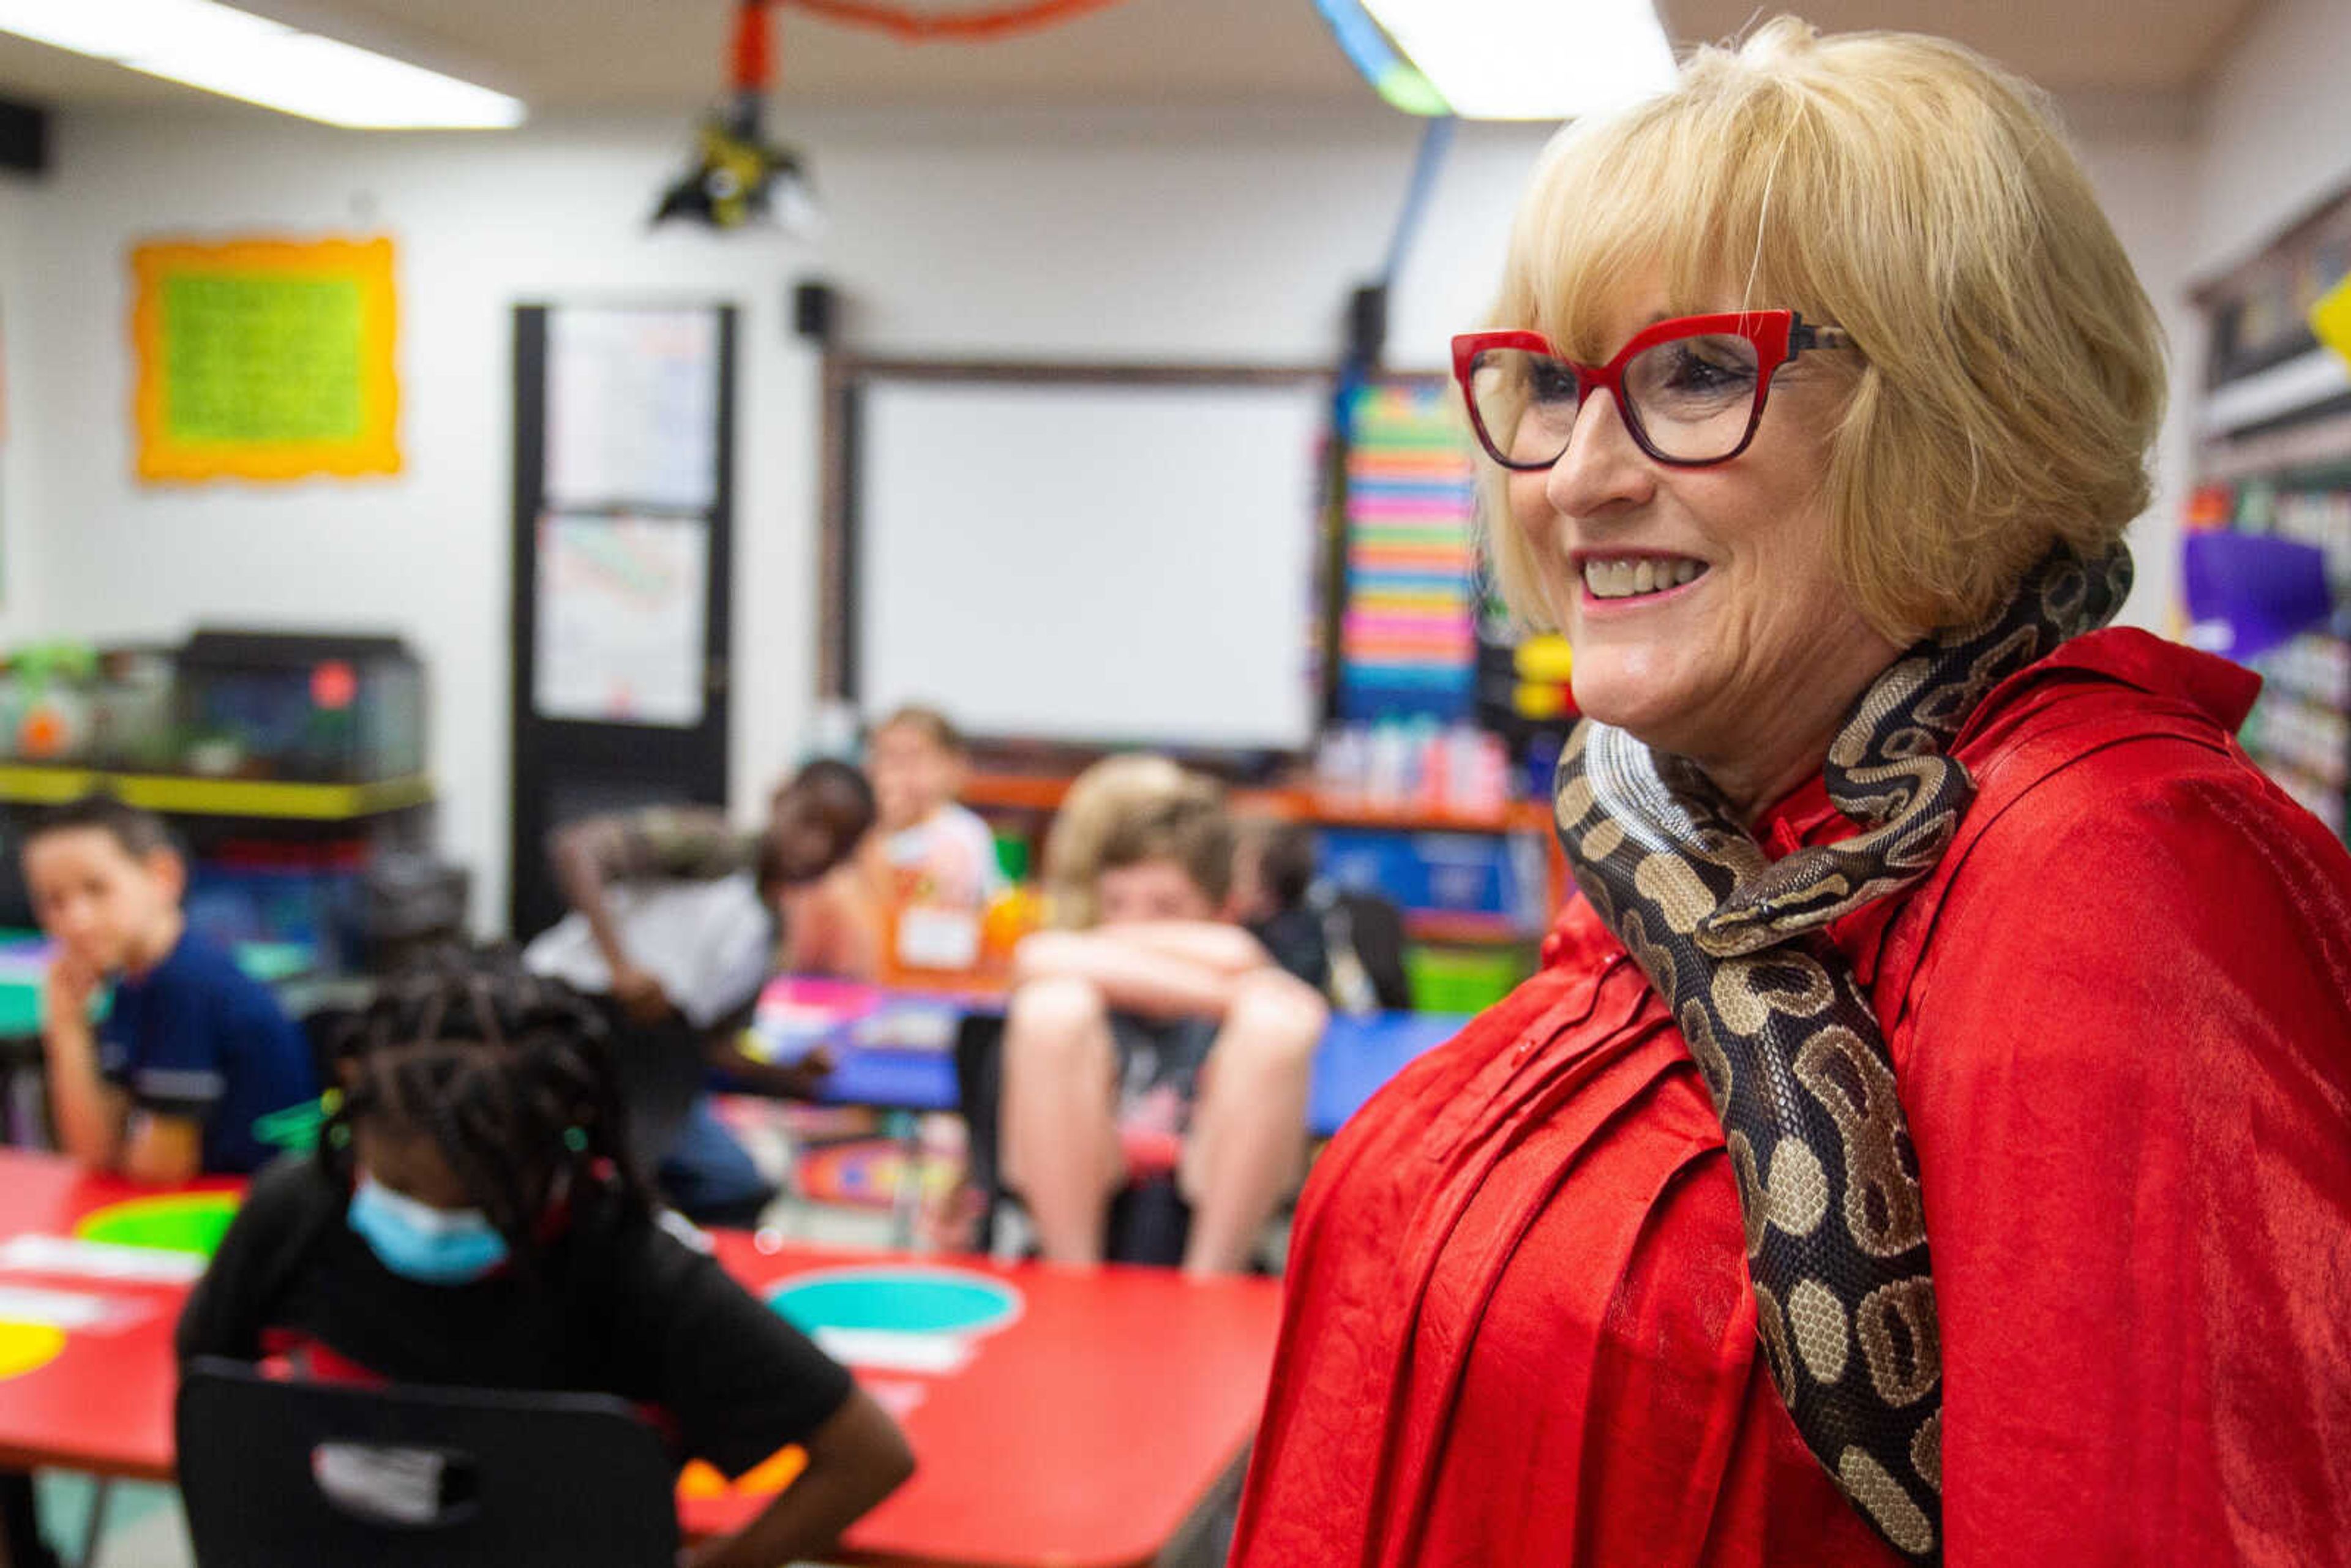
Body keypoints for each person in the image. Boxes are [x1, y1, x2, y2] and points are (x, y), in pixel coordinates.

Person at [1231, 20, 2351, 1568]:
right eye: (1554, 383)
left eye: (1696, 373)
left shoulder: (2105, 869)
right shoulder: (1689, 797)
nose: (1572, 476)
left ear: (1961, 413)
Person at [176, 953, 914, 1568]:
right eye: (396, 1186)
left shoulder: (640, 1272)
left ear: (558, 1153)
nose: (428, 1220)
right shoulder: (297, 1209)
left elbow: (870, 1453)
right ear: (354, 1118)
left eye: (474, 1203)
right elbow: (215, 1393)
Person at [999, 762, 1327, 1277]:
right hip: (1084, 1235)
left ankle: (1208, 1291)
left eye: (1166, 908)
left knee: (1275, 1025)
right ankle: (1071, 1289)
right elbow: (1035, 957)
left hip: (1204, 1239)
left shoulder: (1250, 973)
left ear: (1223, 911)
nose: (1135, 925)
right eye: (1116, 905)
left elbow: (1298, 1010)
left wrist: (1226, 971)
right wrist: (1217, 988)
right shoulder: (1078, 982)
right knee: (1050, 1010)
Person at [529, 760, 877, 1226]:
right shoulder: (714, 845)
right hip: (564, 1025)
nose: (814, 847)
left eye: (837, 842)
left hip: (648, 1077)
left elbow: (707, 1043)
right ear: (781, 800)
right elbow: (576, 848)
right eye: (810, 822)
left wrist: (786, 1074)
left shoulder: (770, 936)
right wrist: (621, 967)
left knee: (734, 1183)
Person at [21, 795, 317, 1181]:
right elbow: (96, 1151)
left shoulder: (186, 983)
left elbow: (160, 1171)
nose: (76, 920)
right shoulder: (133, 983)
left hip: (251, 1214)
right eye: (53, 901)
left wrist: (125, 1154)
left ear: (164, 876)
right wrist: (66, 1028)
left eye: (96, 889)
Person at [861, 706, 1004, 970]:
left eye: (913, 758)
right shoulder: (864, 831)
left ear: (953, 768)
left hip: (938, 965)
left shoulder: (962, 832)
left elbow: (944, 903)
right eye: (885, 757)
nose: (896, 772)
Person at [1225, 820, 1412, 1014]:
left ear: (1268, 887)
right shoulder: (1244, 925)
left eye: (1242, 874)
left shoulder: (1310, 930)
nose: (1229, 882)